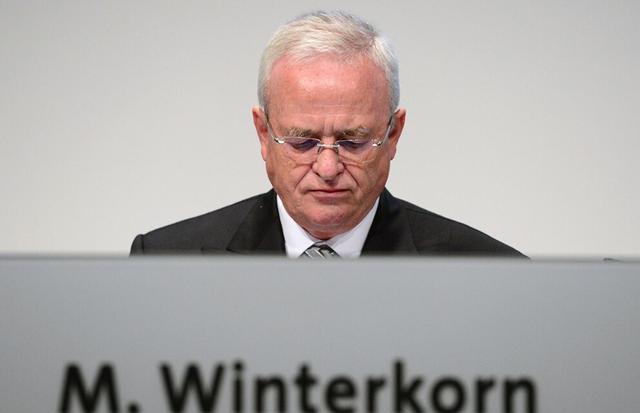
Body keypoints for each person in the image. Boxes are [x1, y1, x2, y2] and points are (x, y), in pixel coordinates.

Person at [130, 10, 524, 258]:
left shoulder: (489, 274)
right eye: (303, 141)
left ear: (393, 135)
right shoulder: (167, 262)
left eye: (353, 141)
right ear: (264, 134)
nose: (328, 167)